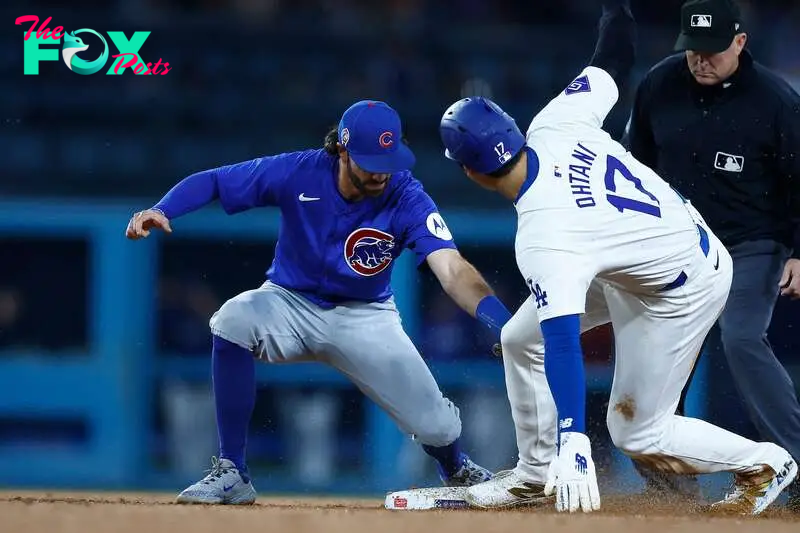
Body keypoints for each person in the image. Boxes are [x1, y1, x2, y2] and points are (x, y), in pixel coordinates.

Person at [437, 0, 797, 515]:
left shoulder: (544, 236)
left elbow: (563, 343)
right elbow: (614, 53)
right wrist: (617, 7)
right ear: (511, 130)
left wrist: (573, 439)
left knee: (635, 429)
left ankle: (765, 460)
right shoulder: (556, 120)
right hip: (637, 252)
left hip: (681, 285)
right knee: (520, 338)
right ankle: (533, 475)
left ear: (470, 173)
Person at [126, 100, 508, 504]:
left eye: (389, 158)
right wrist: (162, 208)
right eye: (369, 159)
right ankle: (232, 471)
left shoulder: (405, 194)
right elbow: (216, 181)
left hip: (366, 317)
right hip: (289, 303)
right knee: (232, 319)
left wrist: (502, 322)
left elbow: (450, 268)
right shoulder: (299, 171)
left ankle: (455, 467)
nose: (381, 170)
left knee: (439, 427)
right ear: (341, 150)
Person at [624, 0, 800, 506]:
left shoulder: (776, 101)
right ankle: (673, 495)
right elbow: (635, 169)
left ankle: (797, 467)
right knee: (651, 365)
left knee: (742, 337)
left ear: (740, 42)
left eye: (714, 50)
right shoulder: (658, 84)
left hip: (753, 244)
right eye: (693, 50)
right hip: (678, 250)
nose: (701, 60)